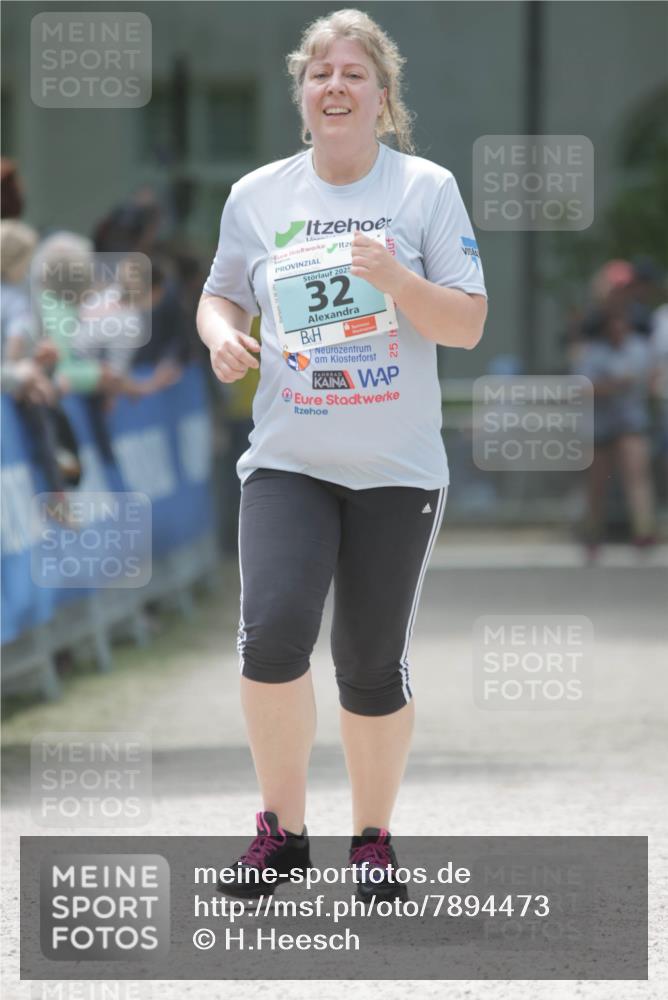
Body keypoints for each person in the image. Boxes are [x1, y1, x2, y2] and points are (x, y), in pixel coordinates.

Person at [197, 8, 487, 903]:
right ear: (303, 97)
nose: (335, 86)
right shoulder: (258, 196)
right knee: (272, 637)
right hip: (289, 457)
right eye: (320, 74)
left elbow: (468, 325)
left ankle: (372, 839)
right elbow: (219, 296)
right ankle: (281, 833)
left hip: (396, 470)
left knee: (369, 662)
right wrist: (222, 338)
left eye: (354, 74)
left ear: (383, 98)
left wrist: (395, 279)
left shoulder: (425, 190)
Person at [574, 302, 656, 558]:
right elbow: (583, 386)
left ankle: (644, 533)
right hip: (602, 426)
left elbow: (651, 379)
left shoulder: (639, 349)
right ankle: (593, 534)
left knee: (637, 479)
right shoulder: (594, 353)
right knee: (597, 485)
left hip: (631, 424)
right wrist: (613, 386)